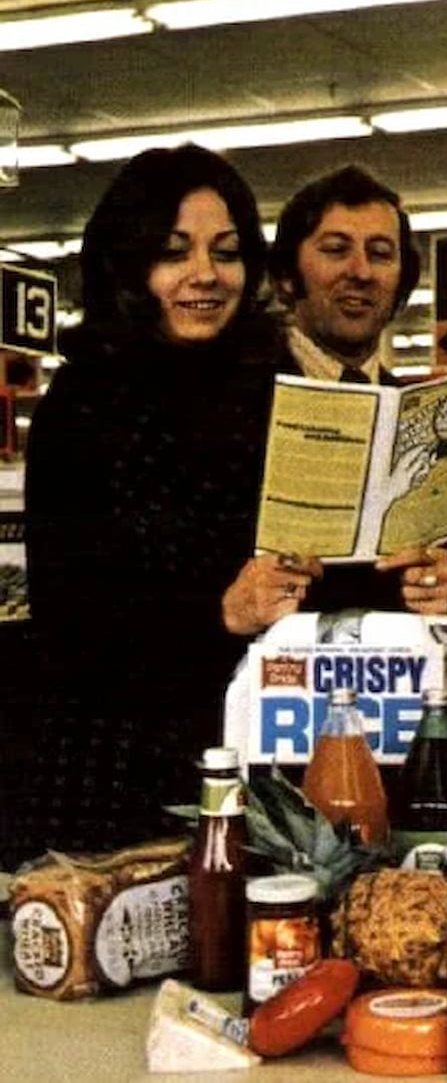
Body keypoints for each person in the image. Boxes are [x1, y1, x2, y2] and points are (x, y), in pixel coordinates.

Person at [18, 144, 311, 855]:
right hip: (115, 773)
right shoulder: (83, 404)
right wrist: (218, 612)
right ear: (129, 266)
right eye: (174, 252)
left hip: (263, 752)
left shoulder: (276, 389)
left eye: (228, 251)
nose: (206, 275)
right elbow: (69, 612)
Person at [249, 163, 447, 616]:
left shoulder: (427, 418)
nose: (361, 271)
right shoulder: (232, 400)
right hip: (265, 679)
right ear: (287, 274)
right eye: (335, 249)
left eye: (381, 253)